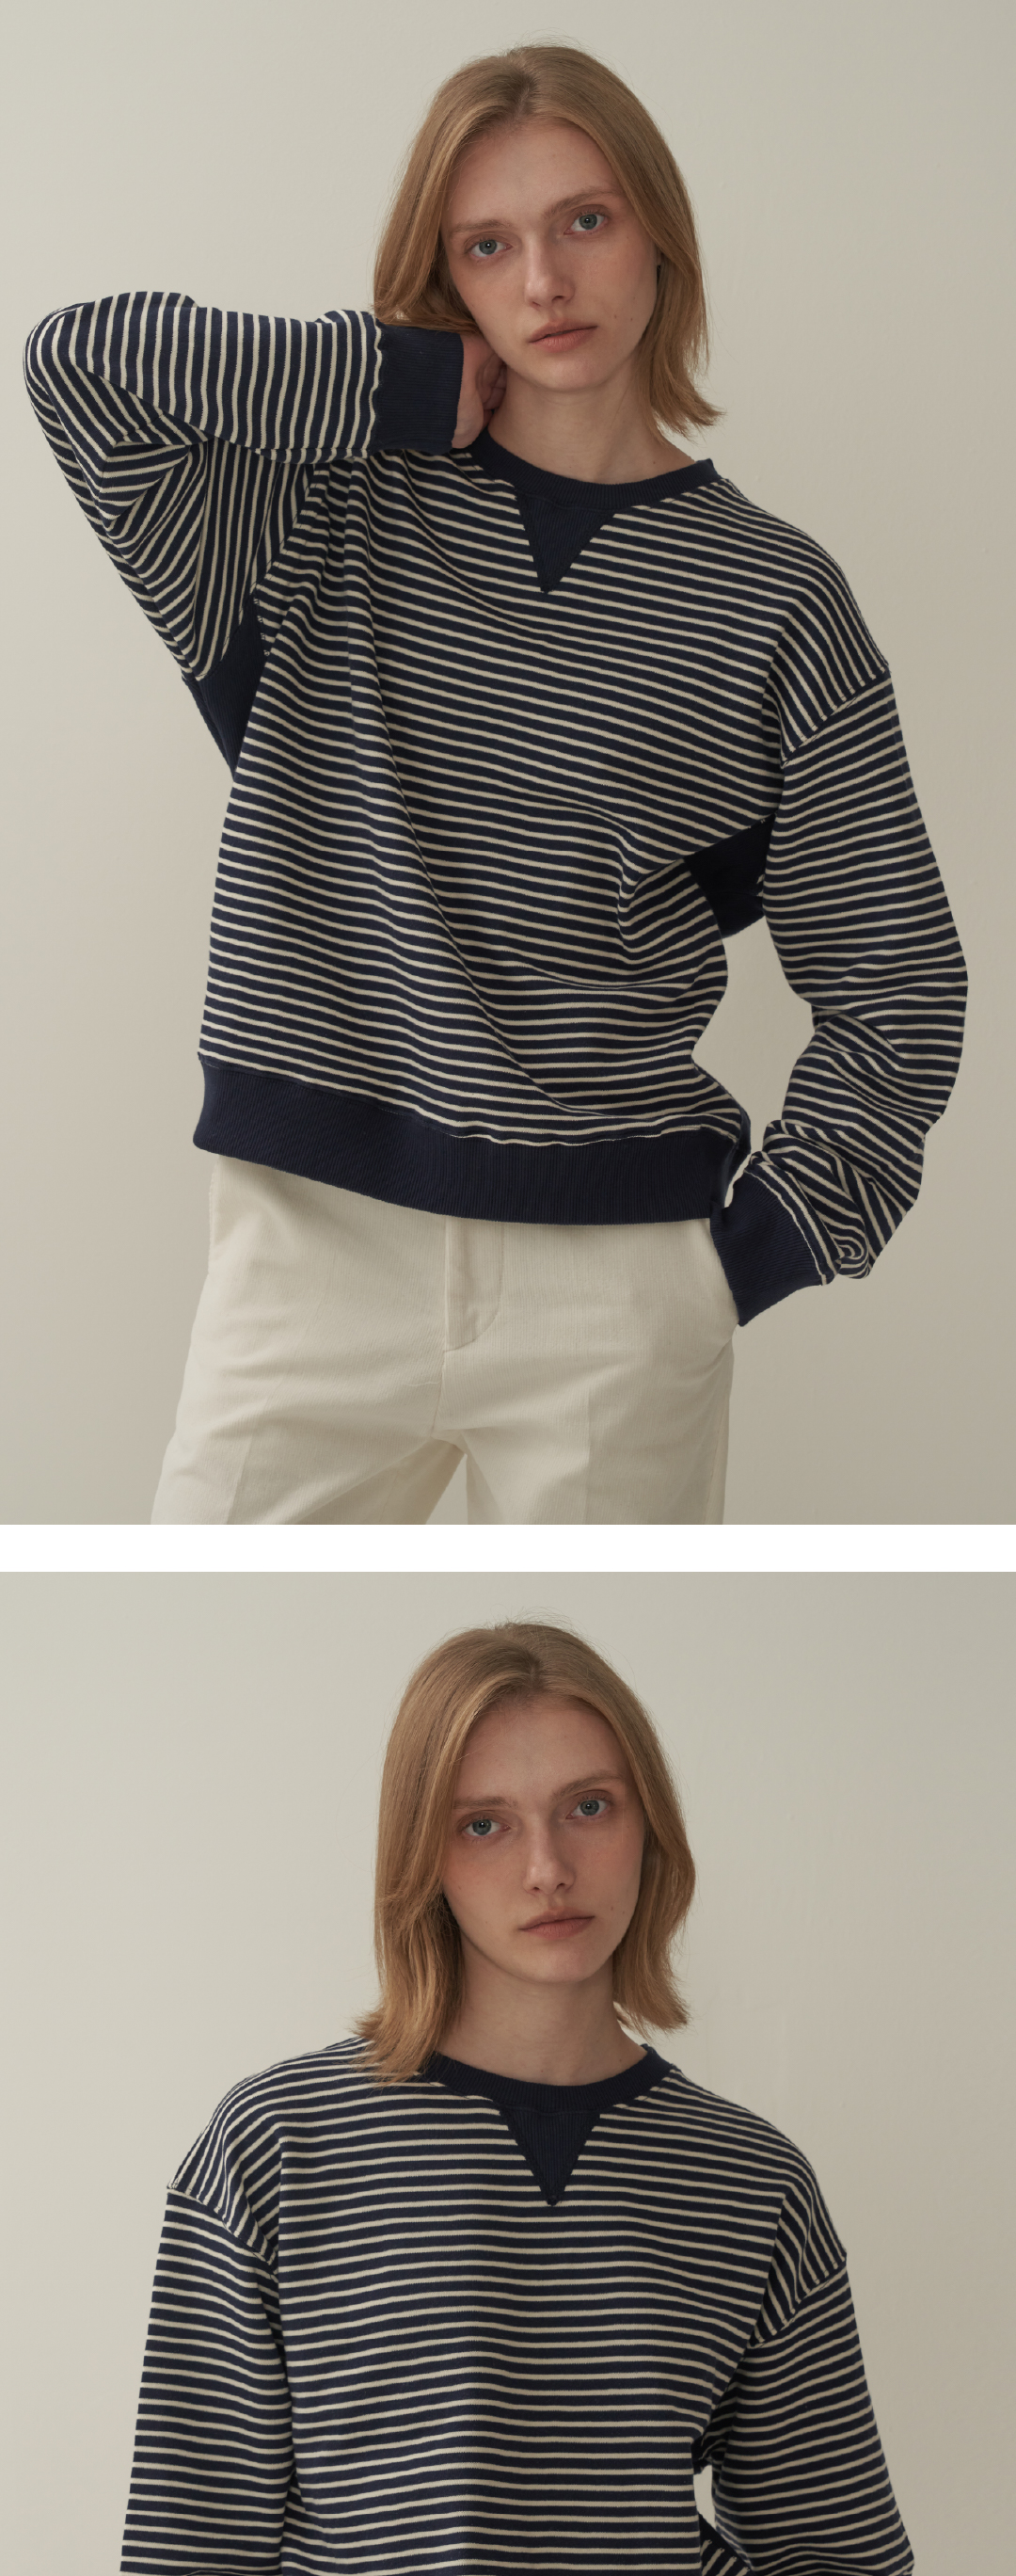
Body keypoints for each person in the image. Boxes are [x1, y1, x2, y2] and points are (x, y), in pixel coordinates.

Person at [24, 44, 965, 1531]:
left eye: (586, 220)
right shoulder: (312, 514)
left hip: (614, 1288)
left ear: (658, 231)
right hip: (310, 1253)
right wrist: (396, 380)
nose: (545, 281)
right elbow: (78, 362)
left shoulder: (777, 600)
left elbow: (896, 983)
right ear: (444, 273)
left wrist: (745, 1263)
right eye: (487, 244)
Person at [111, 1616, 913, 2576]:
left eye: (587, 1807)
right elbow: (183, 2568)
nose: (547, 1867)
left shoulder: (748, 2180)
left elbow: (841, 2556)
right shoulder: (279, 2147)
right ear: (421, 1857)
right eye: (485, 1822)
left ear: (649, 1829)